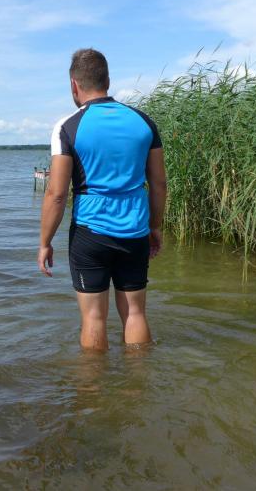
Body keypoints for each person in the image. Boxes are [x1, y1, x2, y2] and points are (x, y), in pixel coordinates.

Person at [38, 48, 167, 351]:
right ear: (107, 80)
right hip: (135, 230)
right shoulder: (144, 122)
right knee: (135, 313)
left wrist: (45, 242)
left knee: (94, 318)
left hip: (90, 232)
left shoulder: (68, 127)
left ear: (74, 85)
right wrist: (154, 227)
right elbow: (159, 184)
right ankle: (138, 376)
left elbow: (56, 194)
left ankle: (95, 381)